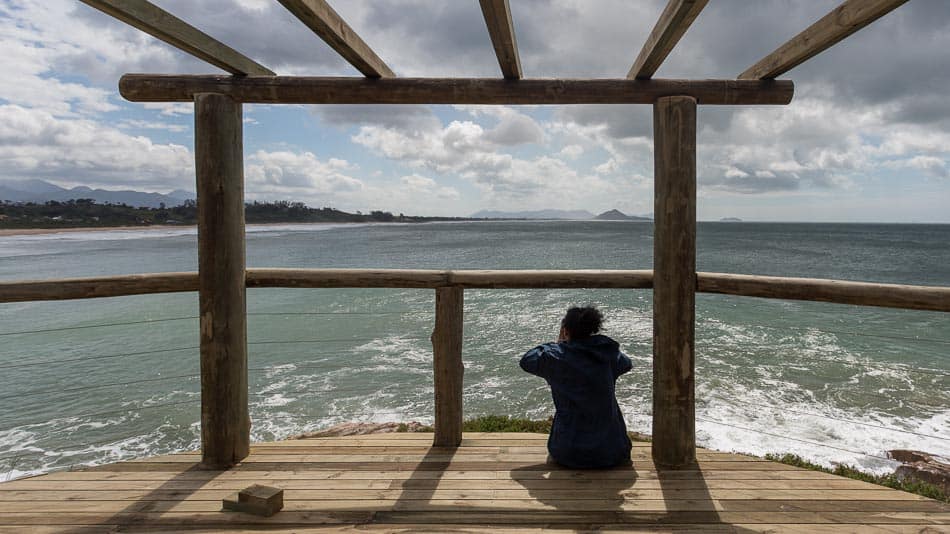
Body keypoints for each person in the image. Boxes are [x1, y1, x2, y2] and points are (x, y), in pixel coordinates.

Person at [520, 306, 632, 469]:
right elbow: (626, 363)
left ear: (565, 331)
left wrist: (556, 344)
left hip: (568, 452)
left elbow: (527, 360)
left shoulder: (555, 357)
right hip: (610, 451)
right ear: (594, 329)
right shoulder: (608, 355)